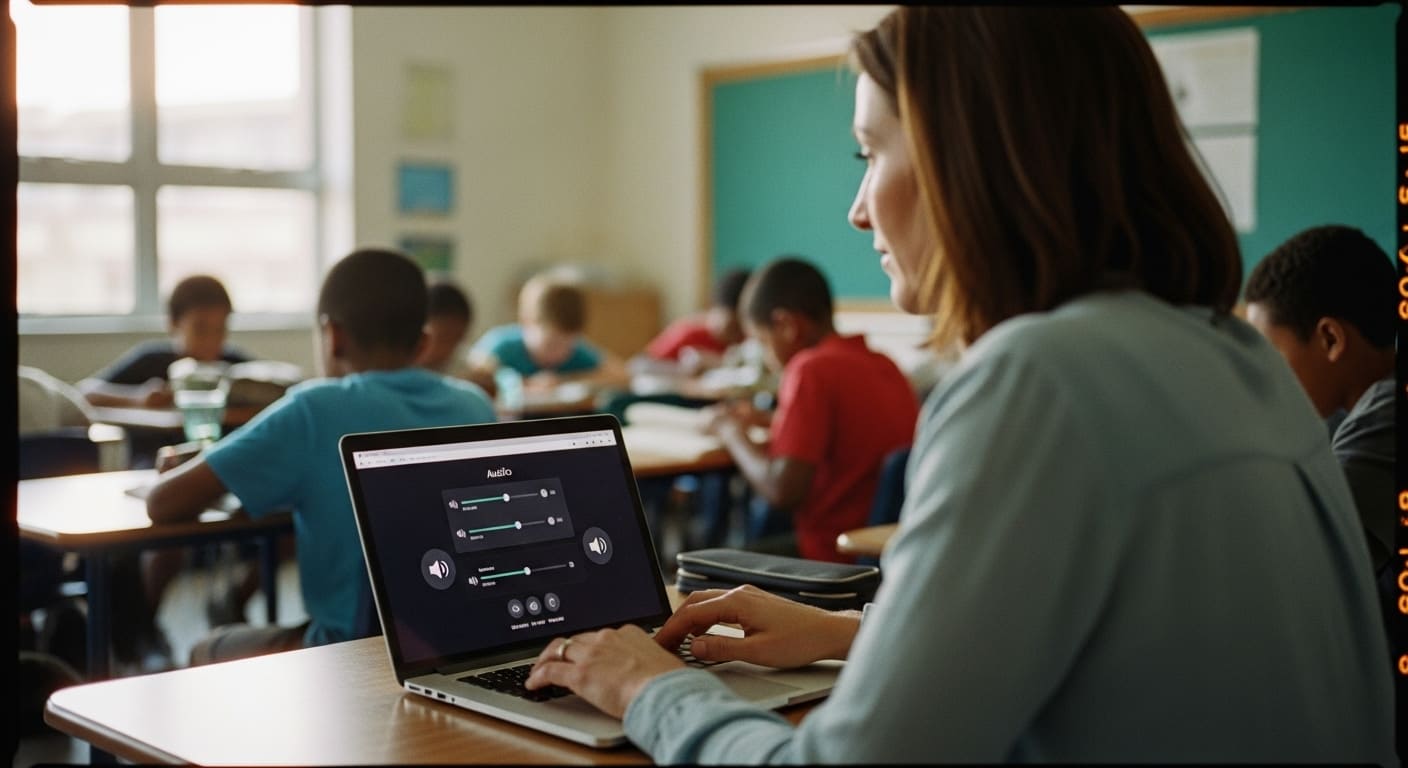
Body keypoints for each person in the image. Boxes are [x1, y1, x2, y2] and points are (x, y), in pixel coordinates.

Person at [522, 8, 1395, 762]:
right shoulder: (1240, 364)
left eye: (871, 153)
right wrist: (855, 636)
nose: (858, 209)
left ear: (970, 161)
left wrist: (650, 690)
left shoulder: (1038, 378)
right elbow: (1145, 668)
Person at [145, 248, 497, 663]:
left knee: (207, 649)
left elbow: (164, 503)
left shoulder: (314, 409)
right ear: (423, 343)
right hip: (461, 643)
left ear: (333, 335)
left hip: (349, 653)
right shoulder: (476, 406)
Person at [702, 256, 918, 562]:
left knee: (705, 566)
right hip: (883, 552)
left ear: (787, 326)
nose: (766, 357)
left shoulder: (809, 368)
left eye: (763, 342)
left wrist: (731, 432)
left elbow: (783, 492)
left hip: (829, 559)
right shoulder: (884, 364)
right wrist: (769, 420)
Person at [77, 274, 249, 411]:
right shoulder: (152, 361)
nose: (211, 340)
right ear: (173, 323)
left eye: (219, 329)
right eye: (200, 329)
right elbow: (84, 392)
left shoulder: (234, 367)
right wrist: (138, 398)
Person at [467, 269, 629, 398]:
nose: (559, 353)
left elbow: (622, 376)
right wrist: (523, 383)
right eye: (552, 344)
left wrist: (564, 381)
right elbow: (473, 371)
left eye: (567, 344)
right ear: (526, 321)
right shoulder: (502, 344)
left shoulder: (576, 350)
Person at [640, 268, 751, 375]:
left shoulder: (750, 338)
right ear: (712, 309)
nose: (737, 336)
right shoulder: (688, 333)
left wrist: (718, 362)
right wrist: (683, 371)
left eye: (741, 328)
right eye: (732, 327)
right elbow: (641, 366)